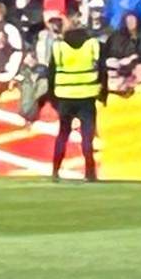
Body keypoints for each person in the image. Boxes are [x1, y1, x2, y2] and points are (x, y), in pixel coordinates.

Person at [48, 20, 104, 182]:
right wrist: (102, 91)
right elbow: (102, 69)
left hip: (65, 97)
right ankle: (90, 173)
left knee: (63, 135)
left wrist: (53, 98)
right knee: (87, 137)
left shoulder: (59, 46)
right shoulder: (92, 45)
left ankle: (55, 170)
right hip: (86, 96)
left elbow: (51, 73)